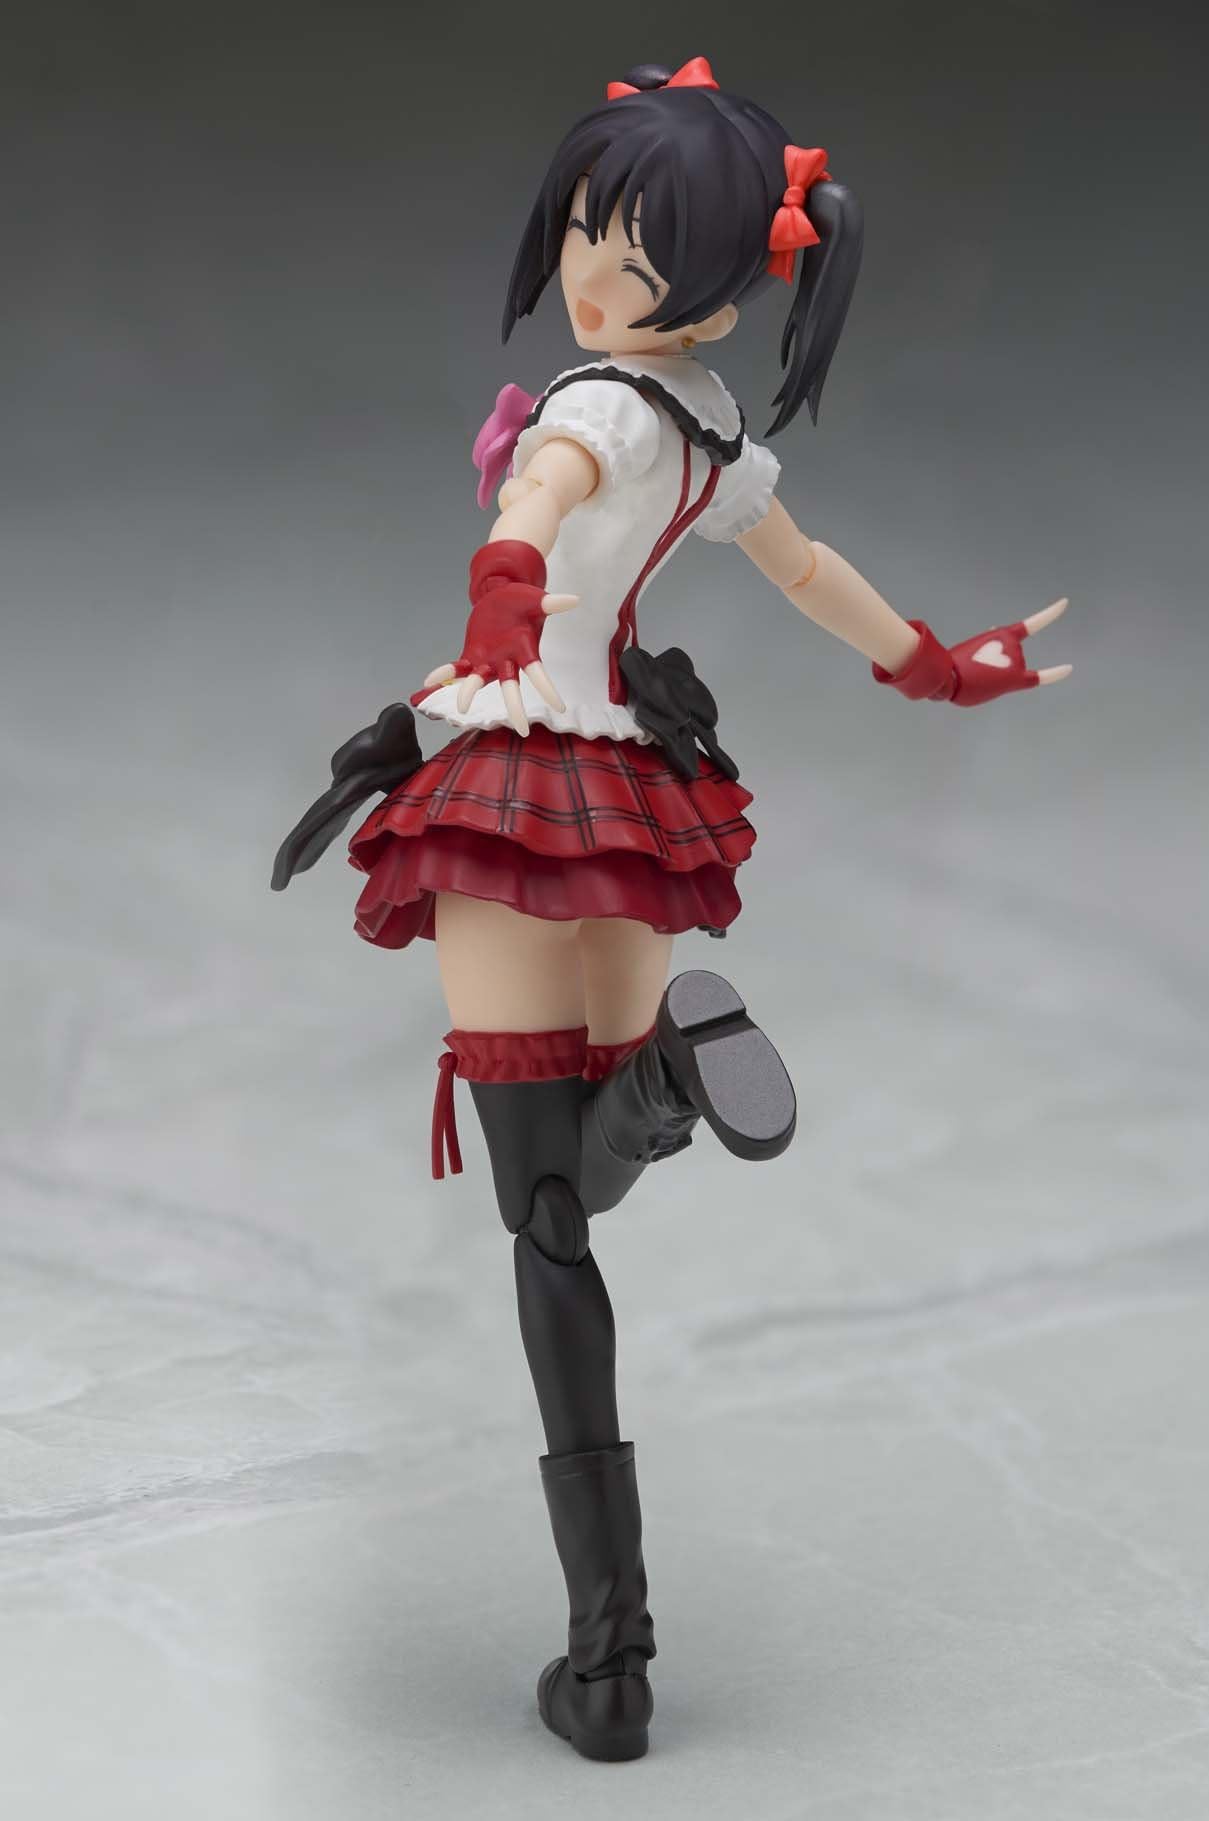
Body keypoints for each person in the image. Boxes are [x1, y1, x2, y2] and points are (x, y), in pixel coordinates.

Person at [274, 55, 1070, 1762]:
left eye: (633, 261)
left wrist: (505, 575)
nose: (589, 276)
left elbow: (546, 485)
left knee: (542, 1223)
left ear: (712, 290)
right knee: (590, 1155)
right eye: (583, 231)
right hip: (633, 791)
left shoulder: (599, 406)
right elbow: (806, 573)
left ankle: (611, 1657)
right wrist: (943, 665)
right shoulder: (715, 430)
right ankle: (661, 1079)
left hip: (511, 780)